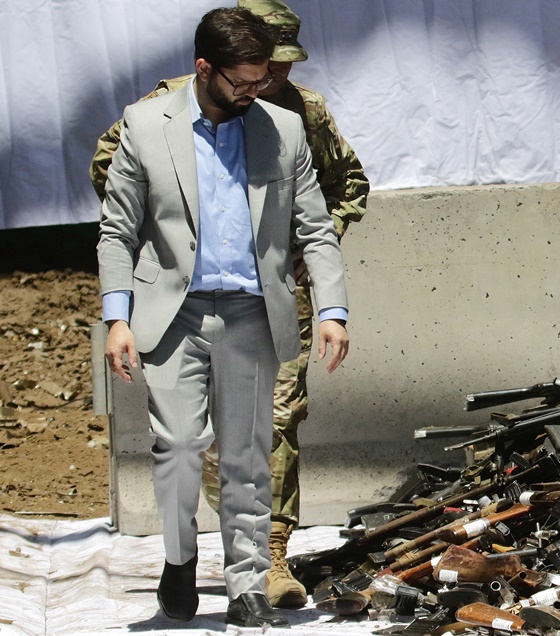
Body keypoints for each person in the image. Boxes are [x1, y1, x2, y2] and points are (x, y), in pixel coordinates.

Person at [90, 0, 369, 609]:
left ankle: (248, 584)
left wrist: (332, 308)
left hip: (253, 311)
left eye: (265, 76)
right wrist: (117, 316)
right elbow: (117, 226)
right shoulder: (145, 123)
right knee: (181, 446)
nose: (257, 89)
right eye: (242, 81)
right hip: (174, 312)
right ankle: (179, 557)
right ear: (204, 68)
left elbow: (320, 223)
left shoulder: (286, 124)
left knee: (250, 451)